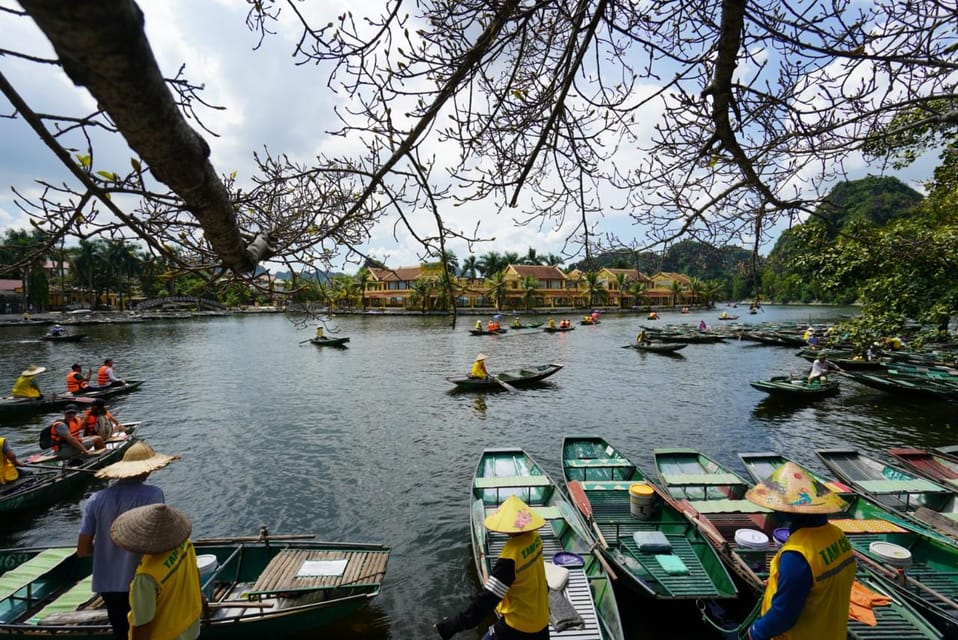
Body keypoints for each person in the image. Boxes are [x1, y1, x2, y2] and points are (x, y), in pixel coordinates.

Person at [745, 462, 856, 640]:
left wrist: (756, 631)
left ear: (788, 514)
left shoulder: (797, 555)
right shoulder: (838, 536)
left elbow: (783, 615)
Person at [79, 443, 178, 640]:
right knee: (148, 631)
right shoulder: (153, 494)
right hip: (142, 581)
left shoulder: (96, 499)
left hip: (107, 584)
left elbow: (82, 549)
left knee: (121, 632)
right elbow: (158, 539)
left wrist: (107, 551)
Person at [435, 495, 549, 640]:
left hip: (519, 626)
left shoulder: (510, 556)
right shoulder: (536, 538)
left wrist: (454, 624)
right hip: (542, 620)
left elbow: (487, 601)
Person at [110, 503, 202, 640]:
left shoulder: (146, 576)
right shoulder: (184, 544)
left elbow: (143, 624)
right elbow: (195, 573)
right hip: (191, 628)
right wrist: (202, 599)